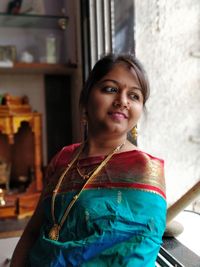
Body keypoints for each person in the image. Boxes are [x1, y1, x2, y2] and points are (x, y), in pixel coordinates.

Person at [11, 53, 166, 267]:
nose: (122, 101)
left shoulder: (144, 170)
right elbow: (33, 232)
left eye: (134, 96)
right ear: (86, 99)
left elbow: (135, 253)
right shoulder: (64, 159)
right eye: (110, 89)